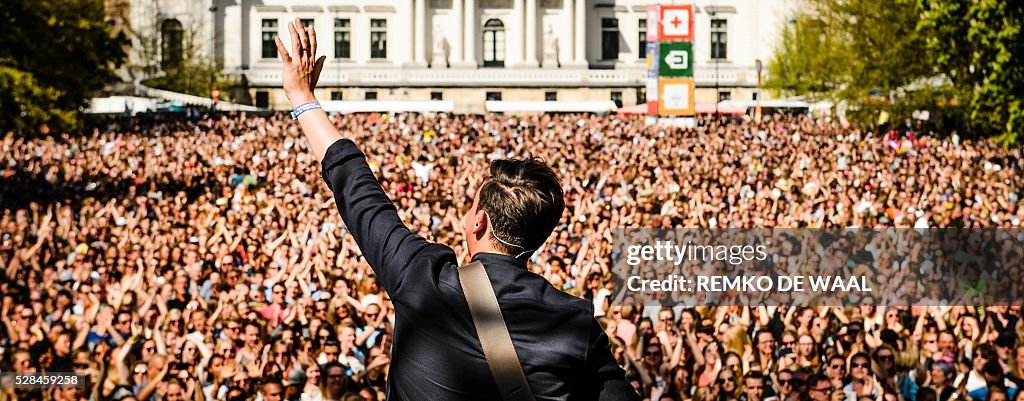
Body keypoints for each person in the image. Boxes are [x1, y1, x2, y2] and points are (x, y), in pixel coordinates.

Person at [273, 19, 637, 400]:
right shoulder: (574, 322)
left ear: (478, 222)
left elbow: (359, 190)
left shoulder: (422, 280)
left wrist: (302, 97)